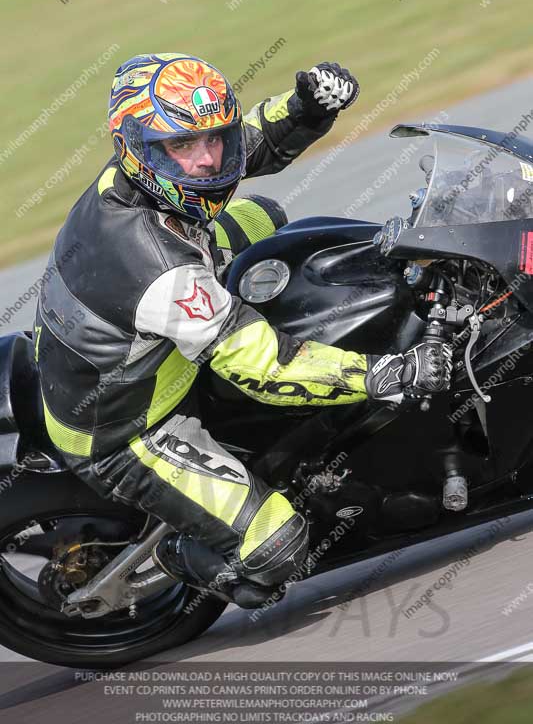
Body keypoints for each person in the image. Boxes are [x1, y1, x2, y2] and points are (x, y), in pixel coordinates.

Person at [33, 53, 452, 609]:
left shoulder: (142, 173)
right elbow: (267, 368)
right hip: (124, 429)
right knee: (279, 548)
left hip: (128, 337)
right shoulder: (154, 264)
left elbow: (246, 139)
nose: (207, 160)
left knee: (265, 216)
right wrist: (388, 373)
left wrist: (304, 107)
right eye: (183, 146)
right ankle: (179, 556)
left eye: (213, 139)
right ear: (136, 146)